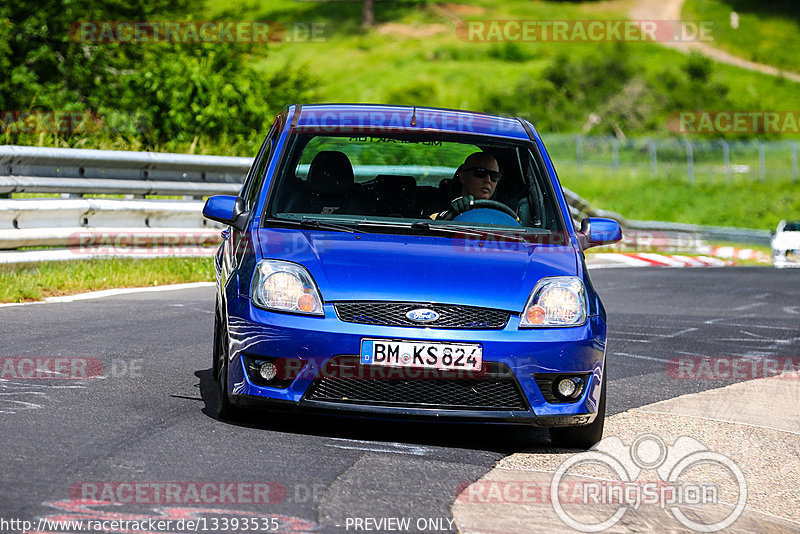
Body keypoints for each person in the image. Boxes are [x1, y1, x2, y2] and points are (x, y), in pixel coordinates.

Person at [431, 152, 503, 219]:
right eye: (480, 172)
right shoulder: (436, 206)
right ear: (463, 177)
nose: (488, 180)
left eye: (495, 176)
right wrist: (448, 215)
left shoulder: (502, 213)